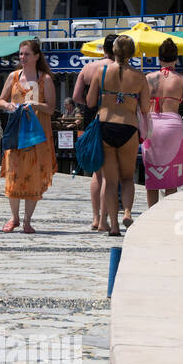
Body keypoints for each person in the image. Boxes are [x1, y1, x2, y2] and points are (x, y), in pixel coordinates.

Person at [87, 35, 151, 237]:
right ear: (132, 53)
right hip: (128, 127)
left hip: (105, 125)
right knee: (127, 178)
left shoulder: (101, 71)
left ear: (113, 51)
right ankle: (128, 211)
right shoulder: (140, 77)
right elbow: (145, 107)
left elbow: (89, 102)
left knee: (110, 180)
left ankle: (113, 225)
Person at [0, 39, 57, 233]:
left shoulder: (45, 79)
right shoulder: (14, 77)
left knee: (33, 176)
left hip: (36, 136)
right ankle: (14, 218)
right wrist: (7, 105)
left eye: (27, 54)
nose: (23, 57)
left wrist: (35, 104)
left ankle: (27, 220)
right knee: (13, 175)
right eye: (21, 54)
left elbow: (51, 108)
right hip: (16, 133)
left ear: (37, 56)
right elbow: (0, 100)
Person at [143, 38, 183, 207]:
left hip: (151, 127)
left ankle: (151, 214)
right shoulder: (182, 80)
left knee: (152, 177)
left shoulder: (148, 78)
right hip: (173, 128)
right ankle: (167, 214)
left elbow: (139, 107)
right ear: (176, 59)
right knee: (171, 179)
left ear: (159, 58)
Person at [72, 35, 118, 231]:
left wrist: (90, 107)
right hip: (110, 118)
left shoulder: (88, 68)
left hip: (91, 120)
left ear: (103, 49)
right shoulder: (118, 70)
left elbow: (76, 96)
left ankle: (94, 217)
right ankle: (103, 220)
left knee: (96, 174)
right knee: (108, 173)